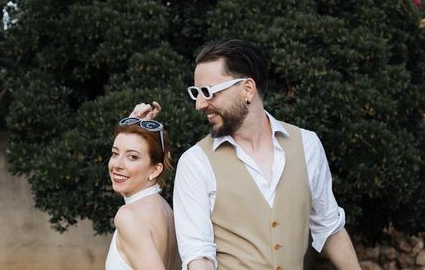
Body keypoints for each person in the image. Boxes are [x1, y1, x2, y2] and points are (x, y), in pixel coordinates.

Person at [135, 39, 361, 270]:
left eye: (207, 92)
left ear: (247, 89)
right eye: (196, 93)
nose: (200, 104)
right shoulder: (195, 162)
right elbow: (198, 256)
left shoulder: (307, 144)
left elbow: (330, 227)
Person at [105, 110, 181, 270]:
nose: (117, 164)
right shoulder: (166, 211)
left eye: (132, 156)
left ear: (155, 170)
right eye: (115, 153)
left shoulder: (129, 217)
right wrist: (134, 121)